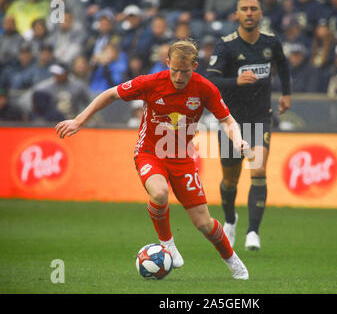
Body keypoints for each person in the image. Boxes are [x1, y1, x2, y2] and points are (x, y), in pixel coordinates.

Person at [55, 40, 250, 280]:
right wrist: (79, 120)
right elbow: (110, 94)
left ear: (195, 66)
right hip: (150, 152)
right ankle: (167, 243)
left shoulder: (205, 88)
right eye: (175, 70)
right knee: (159, 193)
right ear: (167, 63)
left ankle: (232, 261)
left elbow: (228, 120)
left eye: (185, 71)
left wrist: (239, 140)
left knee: (204, 223)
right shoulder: (151, 82)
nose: (179, 76)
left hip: (181, 158)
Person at [206, 0, 291, 251]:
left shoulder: (271, 43)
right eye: (244, 9)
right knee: (230, 181)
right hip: (230, 121)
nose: (249, 13)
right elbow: (210, 82)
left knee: (259, 171)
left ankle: (253, 232)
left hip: (260, 117)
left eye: (254, 8)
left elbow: (283, 65)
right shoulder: (226, 46)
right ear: (237, 15)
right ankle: (230, 221)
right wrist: (236, 82)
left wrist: (286, 93)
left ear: (261, 13)